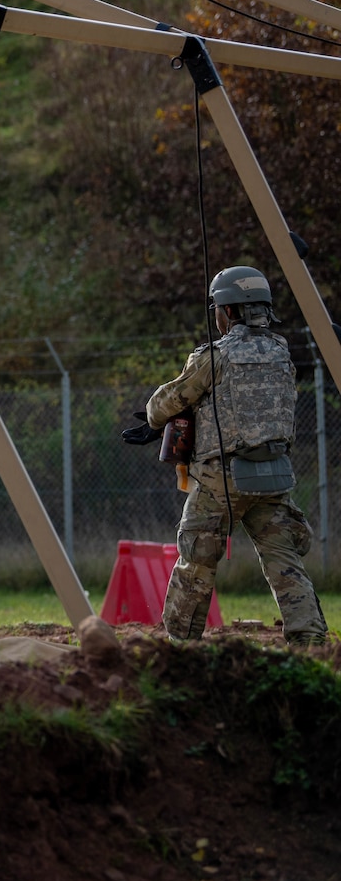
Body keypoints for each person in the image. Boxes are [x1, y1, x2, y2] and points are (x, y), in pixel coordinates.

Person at [146, 266, 328, 646]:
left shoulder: (214, 356)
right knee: (285, 560)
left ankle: (180, 647)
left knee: (196, 559)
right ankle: (311, 644)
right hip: (274, 475)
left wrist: (156, 415)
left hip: (220, 481)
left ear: (227, 311)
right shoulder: (281, 352)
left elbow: (163, 406)